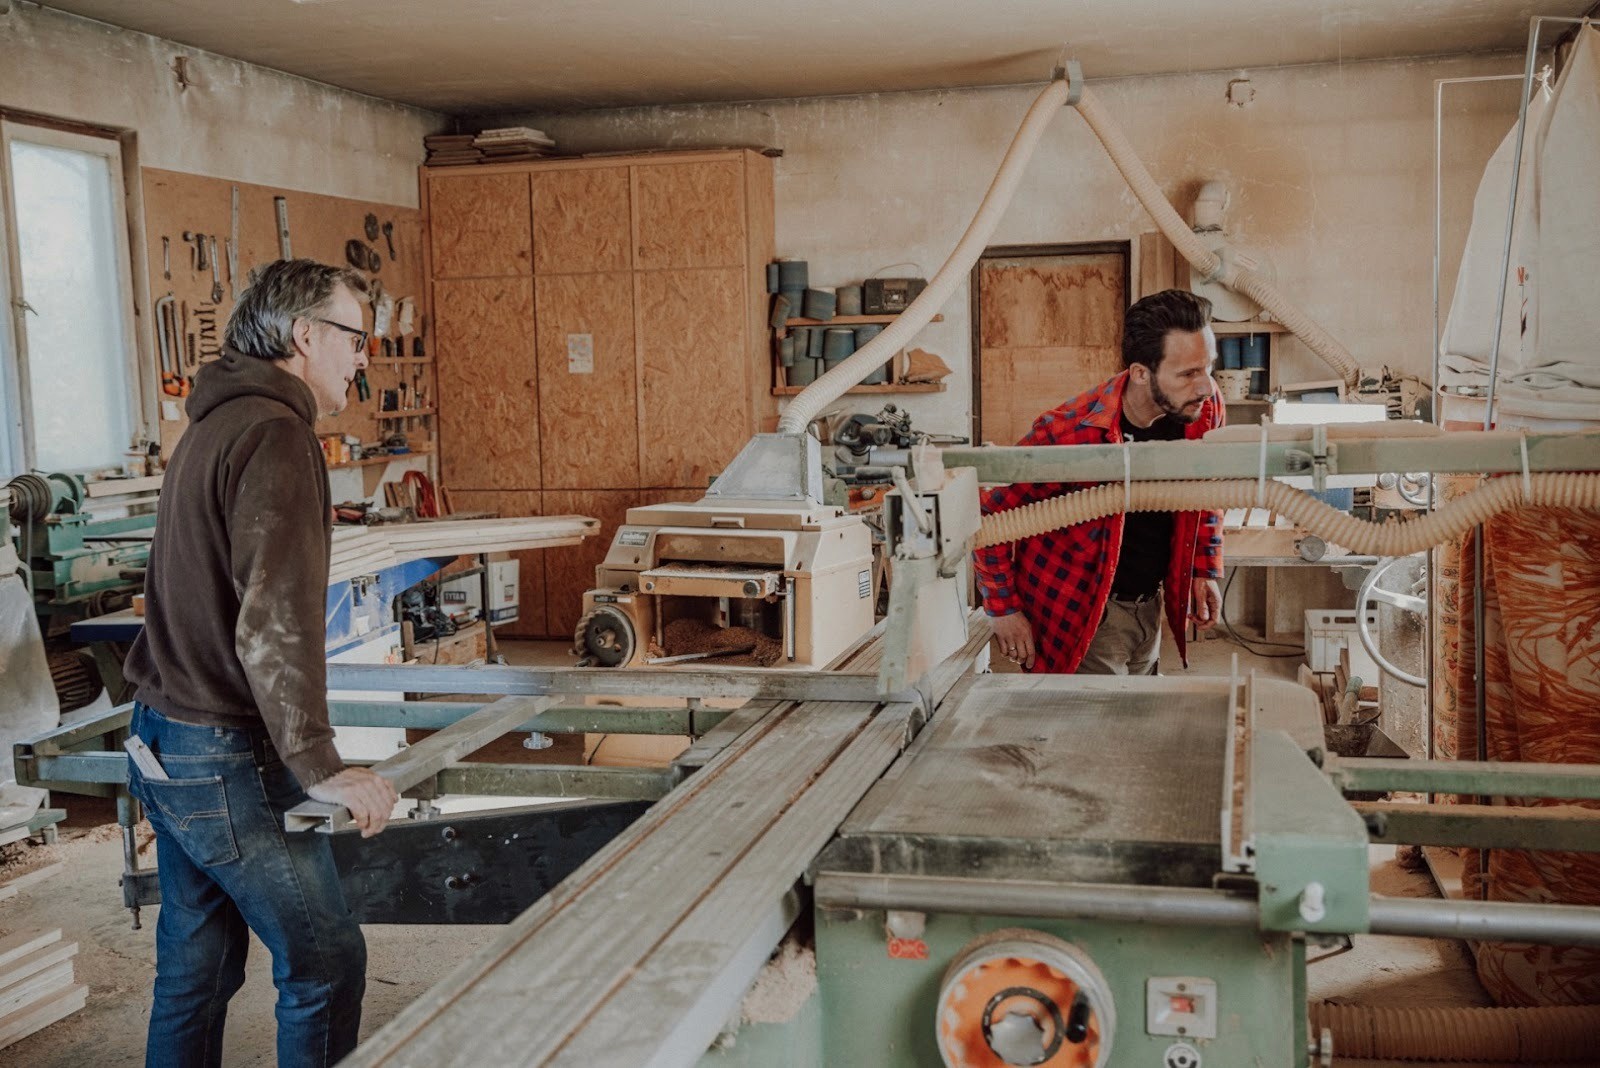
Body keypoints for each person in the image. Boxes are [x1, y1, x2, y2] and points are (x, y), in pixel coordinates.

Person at [123, 259, 398, 1068]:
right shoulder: (277, 434)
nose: (361, 359)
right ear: (304, 336)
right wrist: (319, 762)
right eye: (354, 339)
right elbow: (272, 618)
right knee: (325, 961)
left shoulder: (215, 422)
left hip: (166, 735)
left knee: (196, 970)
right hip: (222, 750)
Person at [974, 288, 1226, 675]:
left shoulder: (1202, 410)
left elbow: (1208, 491)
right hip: (1081, 609)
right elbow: (988, 516)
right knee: (1088, 729)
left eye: (1208, 367)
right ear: (1140, 373)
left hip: (1149, 603)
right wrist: (1003, 609)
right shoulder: (1068, 434)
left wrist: (1203, 566)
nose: (1206, 386)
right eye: (1189, 373)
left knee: (1139, 721)